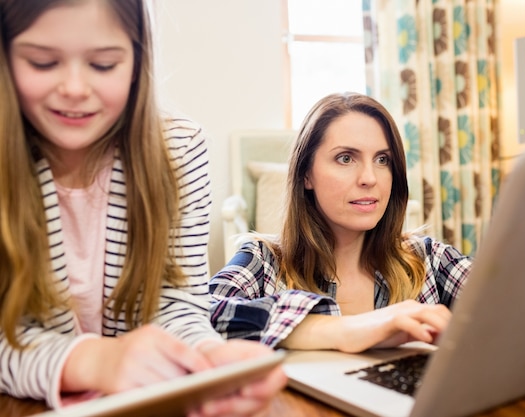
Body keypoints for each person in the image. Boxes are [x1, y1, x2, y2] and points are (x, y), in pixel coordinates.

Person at [0, 0, 285, 415]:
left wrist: (205, 357)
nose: (76, 88)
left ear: (138, 60)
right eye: (43, 63)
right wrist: (95, 360)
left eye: (103, 65)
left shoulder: (177, 151)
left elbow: (177, 303)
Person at [209, 92, 472, 352]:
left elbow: (508, 307)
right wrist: (342, 331)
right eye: (346, 158)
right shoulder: (265, 262)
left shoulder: (429, 259)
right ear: (306, 175)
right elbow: (200, 314)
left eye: (382, 160)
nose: (369, 178)